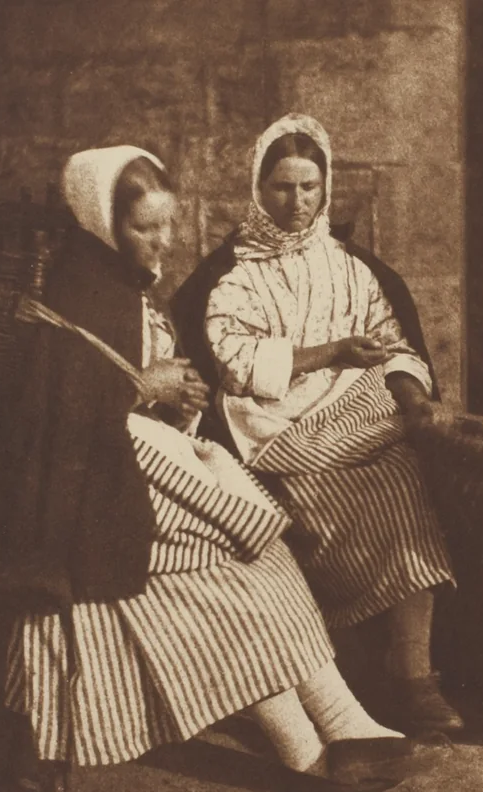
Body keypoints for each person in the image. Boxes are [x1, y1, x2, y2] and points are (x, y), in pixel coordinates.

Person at [0, 145, 417, 792]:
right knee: (244, 576)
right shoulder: (75, 292)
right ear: (103, 222)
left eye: (166, 223)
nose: (161, 241)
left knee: (267, 557)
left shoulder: (120, 284)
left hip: (135, 464)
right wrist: (142, 385)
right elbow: (51, 417)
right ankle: (306, 749)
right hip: (90, 492)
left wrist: (173, 397)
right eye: (144, 227)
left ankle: (346, 723)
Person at [172, 115, 463, 735]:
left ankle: (413, 671)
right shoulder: (235, 274)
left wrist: (412, 400)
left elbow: (395, 344)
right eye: (281, 187)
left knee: (413, 479)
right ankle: (360, 670)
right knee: (349, 496)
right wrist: (328, 352)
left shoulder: (352, 268)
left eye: (308, 187)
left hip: (357, 420)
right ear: (258, 186)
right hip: (278, 433)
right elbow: (238, 362)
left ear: (325, 187)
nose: (296, 202)